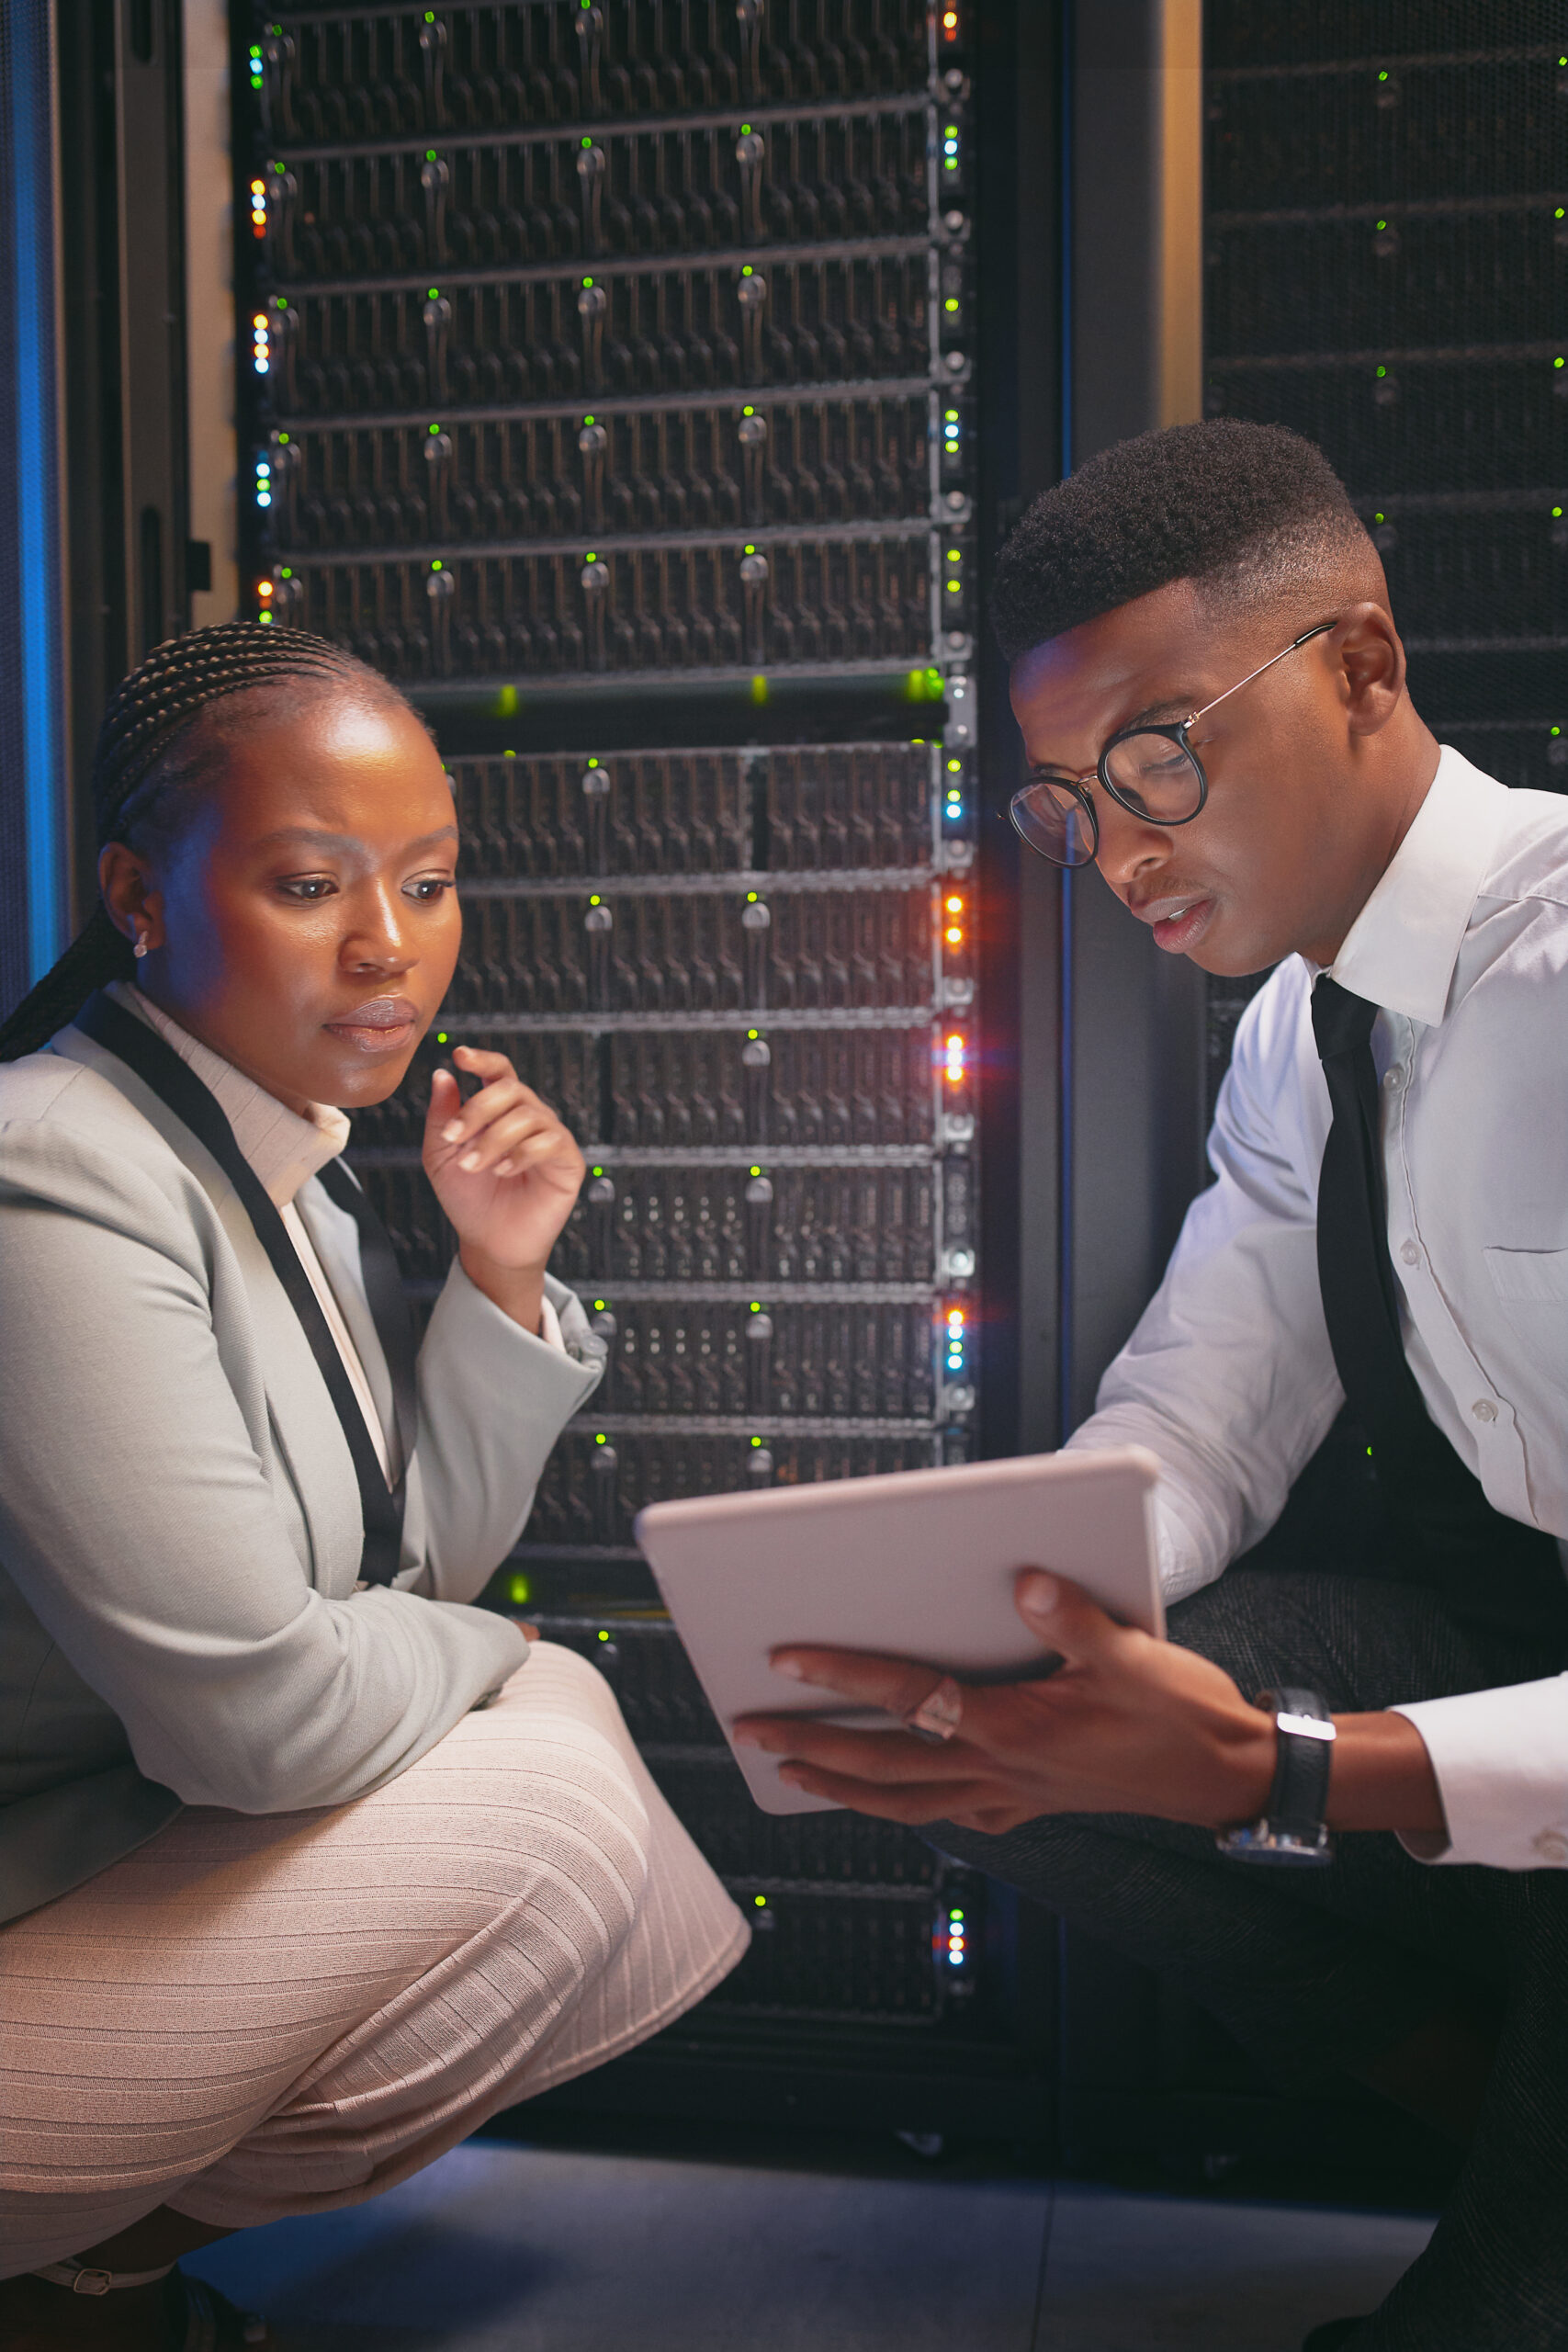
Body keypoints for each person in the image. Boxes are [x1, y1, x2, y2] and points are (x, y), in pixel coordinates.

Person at [735, 422, 1568, 2351]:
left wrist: (1273, 1763)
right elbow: (1196, 1415)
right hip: (1507, 1685)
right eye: (1063, 803)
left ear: (1358, 664)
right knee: (982, 1731)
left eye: (1155, 758)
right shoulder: (1300, 1029)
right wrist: (1029, 1608)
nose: (1113, 850)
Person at [0, 625, 747, 2352]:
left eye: (426, 885)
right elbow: (262, 1718)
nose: (385, 950)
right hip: (47, 1891)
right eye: (308, 882)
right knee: (549, 1775)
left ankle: (78, 2280)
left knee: (546, 1759)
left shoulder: (296, 1185)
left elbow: (405, 1567)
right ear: (138, 892)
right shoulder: (56, 1175)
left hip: (86, 1876)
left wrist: (497, 1277)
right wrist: (496, 1656)